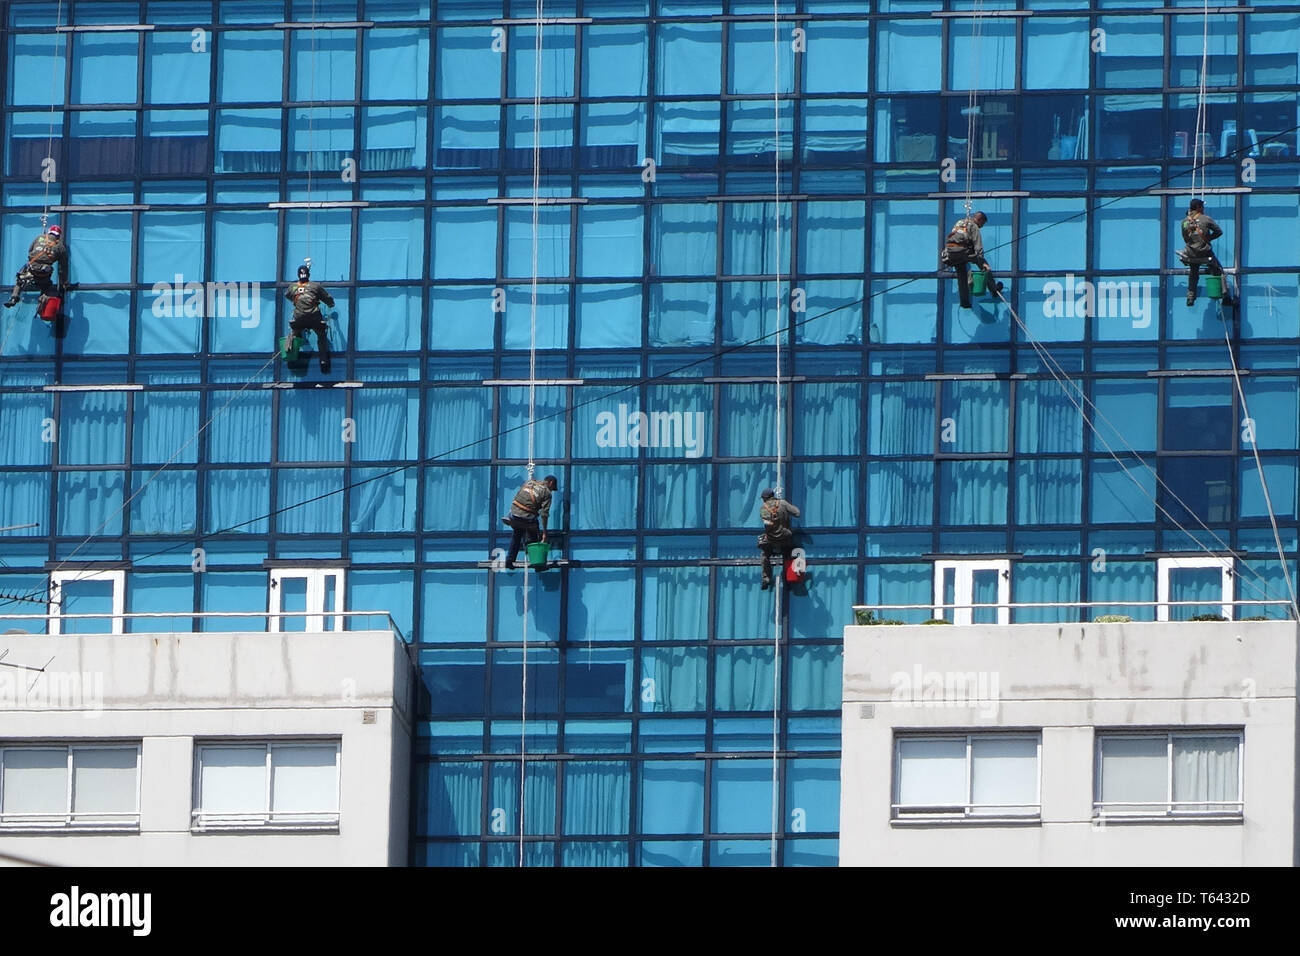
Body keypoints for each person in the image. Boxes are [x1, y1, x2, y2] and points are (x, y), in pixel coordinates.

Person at [940, 211, 1002, 310]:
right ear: (980, 219)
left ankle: (965, 302)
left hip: (950, 253)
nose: (982, 226)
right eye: (983, 223)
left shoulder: (959, 222)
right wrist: (981, 261)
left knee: (961, 275)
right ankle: (994, 290)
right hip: (963, 251)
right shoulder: (974, 226)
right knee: (985, 266)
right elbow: (978, 246)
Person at [1179, 199, 1232, 306]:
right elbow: (1219, 232)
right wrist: (1208, 239)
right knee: (1219, 270)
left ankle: (1190, 297)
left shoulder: (1184, 221)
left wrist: (1192, 243)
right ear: (1198, 207)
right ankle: (1225, 296)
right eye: (1202, 207)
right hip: (1204, 252)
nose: (1203, 209)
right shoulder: (1206, 219)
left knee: (1193, 273)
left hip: (1191, 253)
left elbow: (1185, 238)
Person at [284, 264, 335, 371]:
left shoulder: (292, 287)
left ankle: (291, 357)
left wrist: (297, 301)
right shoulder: (315, 286)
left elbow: (287, 295)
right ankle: (323, 360)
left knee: (294, 334)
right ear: (308, 274)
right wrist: (331, 304)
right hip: (314, 318)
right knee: (321, 335)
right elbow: (327, 298)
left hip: (299, 318)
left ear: (298, 275)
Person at [5, 224, 69, 309]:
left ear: (50, 232)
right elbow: (63, 267)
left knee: (19, 280)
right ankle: (42, 304)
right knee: (47, 286)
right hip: (43, 272)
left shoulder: (39, 237)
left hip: (32, 268)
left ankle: (14, 297)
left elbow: (30, 250)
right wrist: (64, 282)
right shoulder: (60, 246)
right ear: (59, 236)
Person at [502, 474, 558, 568]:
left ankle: (509, 561)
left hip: (514, 513)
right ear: (551, 483)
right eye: (553, 488)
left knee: (517, 534)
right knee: (535, 532)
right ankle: (537, 563)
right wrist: (544, 532)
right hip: (526, 516)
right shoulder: (547, 492)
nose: (552, 490)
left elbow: (519, 495)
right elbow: (544, 514)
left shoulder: (530, 482)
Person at [756, 488, 800, 590]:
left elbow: (767, 525)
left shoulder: (763, 508)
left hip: (771, 539)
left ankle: (766, 578)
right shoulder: (783, 503)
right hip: (786, 537)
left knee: (764, 555)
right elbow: (797, 513)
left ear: (765, 498)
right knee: (789, 554)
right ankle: (789, 578)